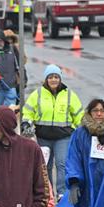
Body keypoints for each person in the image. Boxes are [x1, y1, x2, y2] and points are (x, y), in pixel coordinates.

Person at [21, 64, 83, 195]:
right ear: (46, 79)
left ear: (60, 78)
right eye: (50, 77)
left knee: (62, 164)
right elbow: (28, 111)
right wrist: (26, 123)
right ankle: (48, 193)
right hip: (43, 137)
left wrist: (83, 130)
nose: (53, 80)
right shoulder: (37, 94)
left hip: (63, 137)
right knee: (45, 166)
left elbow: (79, 115)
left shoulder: (69, 95)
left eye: (56, 77)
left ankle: (61, 193)